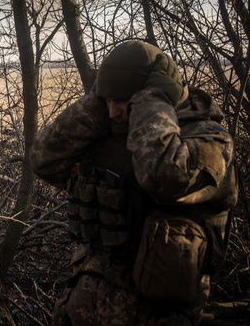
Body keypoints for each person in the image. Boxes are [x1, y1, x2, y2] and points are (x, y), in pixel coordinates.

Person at [30, 40, 237, 325]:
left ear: (155, 94)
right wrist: (97, 104)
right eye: (108, 101)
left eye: (122, 100)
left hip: (153, 315)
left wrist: (151, 102)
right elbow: (43, 159)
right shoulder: (112, 135)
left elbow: (164, 177)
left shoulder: (209, 139)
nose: (113, 111)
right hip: (84, 308)